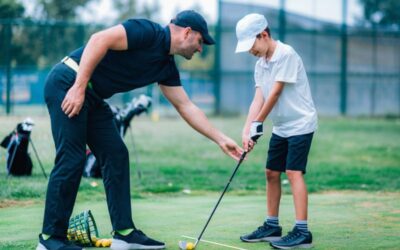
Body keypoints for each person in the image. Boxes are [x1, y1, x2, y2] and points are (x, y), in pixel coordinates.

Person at [37, 10, 243, 250]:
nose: (200, 49)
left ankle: (124, 233)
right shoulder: (146, 32)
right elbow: (98, 40)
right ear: (187, 32)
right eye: (200, 41)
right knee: (72, 157)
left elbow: (185, 105)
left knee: (116, 153)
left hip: (92, 96)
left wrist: (220, 139)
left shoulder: (166, 67)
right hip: (68, 81)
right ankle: (50, 239)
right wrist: (79, 88)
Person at [235, 13, 317, 249]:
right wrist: (247, 129)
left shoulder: (286, 54)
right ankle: (272, 225)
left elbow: (276, 93)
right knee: (271, 172)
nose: (251, 51)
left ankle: (303, 231)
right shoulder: (261, 64)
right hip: (282, 126)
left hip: (301, 123)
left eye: (252, 45)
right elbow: (258, 98)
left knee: (293, 172)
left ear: (264, 35)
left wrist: (258, 124)